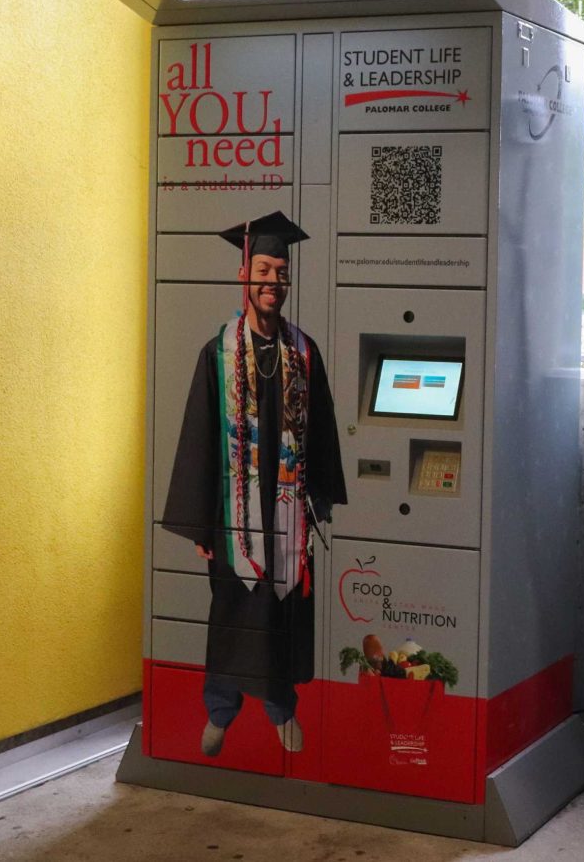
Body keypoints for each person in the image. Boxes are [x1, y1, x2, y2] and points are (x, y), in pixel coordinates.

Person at [161, 211, 346, 757]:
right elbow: (198, 437)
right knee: (233, 613)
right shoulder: (217, 354)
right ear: (244, 274)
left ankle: (280, 709)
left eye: (280, 272)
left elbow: (323, 432)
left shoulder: (303, 353)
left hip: (286, 511)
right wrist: (200, 522)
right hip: (232, 515)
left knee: (281, 615)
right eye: (263, 269)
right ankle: (221, 710)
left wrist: (318, 502)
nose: (272, 281)